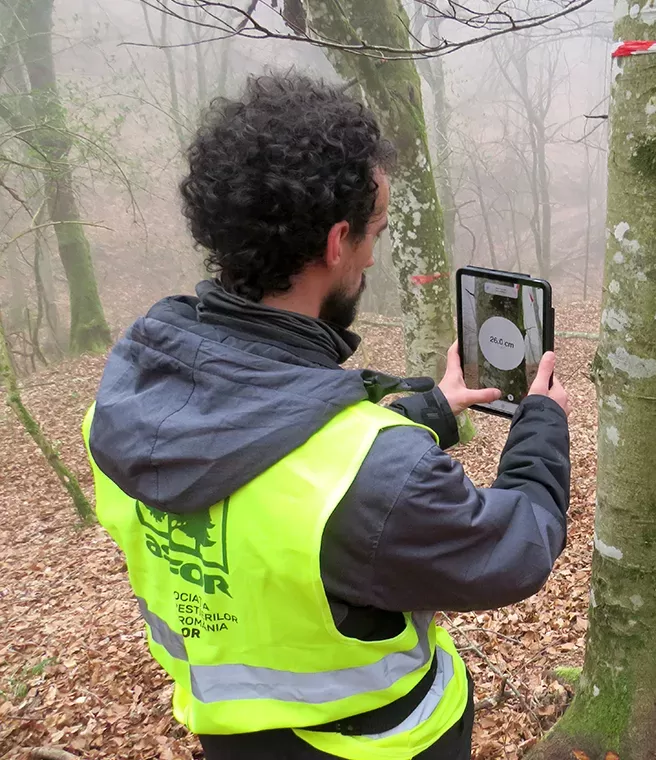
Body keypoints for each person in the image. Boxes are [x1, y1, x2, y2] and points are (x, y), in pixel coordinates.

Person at [80, 72, 571, 760]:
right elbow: (516, 548)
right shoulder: (375, 473)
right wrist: (542, 422)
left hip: (228, 736)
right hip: (383, 745)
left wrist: (430, 409)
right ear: (338, 242)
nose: (374, 253)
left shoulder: (124, 401)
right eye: (375, 231)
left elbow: (270, 439)